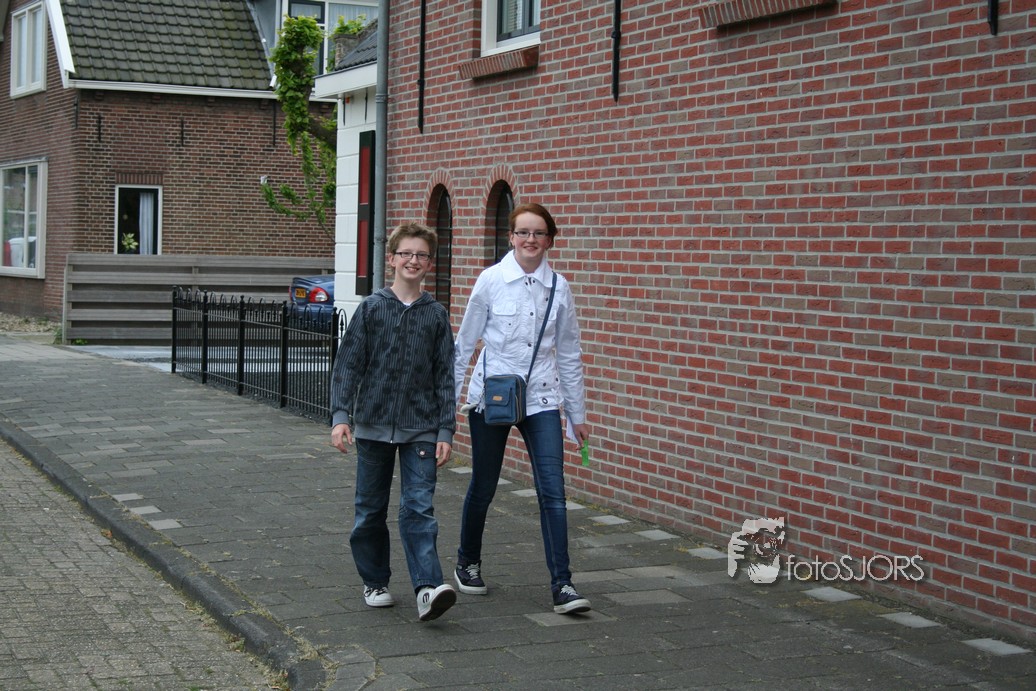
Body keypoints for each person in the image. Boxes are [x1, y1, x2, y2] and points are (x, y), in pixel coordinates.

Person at [453, 202, 592, 614]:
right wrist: (448, 406)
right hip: (493, 396)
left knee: (553, 491)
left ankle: (563, 584)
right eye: (523, 232)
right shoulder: (491, 280)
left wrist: (577, 415)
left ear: (550, 240)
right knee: (484, 485)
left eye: (539, 233)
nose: (531, 239)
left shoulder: (559, 287)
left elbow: (569, 352)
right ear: (511, 237)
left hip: (542, 398)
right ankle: (467, 562)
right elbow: (464, 344)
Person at [330, 222, 457, 622]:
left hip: (421, 428)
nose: (413, 261)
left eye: (421, 255)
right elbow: (348, 365)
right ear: (392, 259)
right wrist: (340, 416)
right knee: (370, 510)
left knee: (418, 508)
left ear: (429, 263)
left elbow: (445, 376)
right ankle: (375, 581)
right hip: (372, 426)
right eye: (406, 253)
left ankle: (428, 588)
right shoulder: (372, 308)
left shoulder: (436, 315)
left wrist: (446, 429)